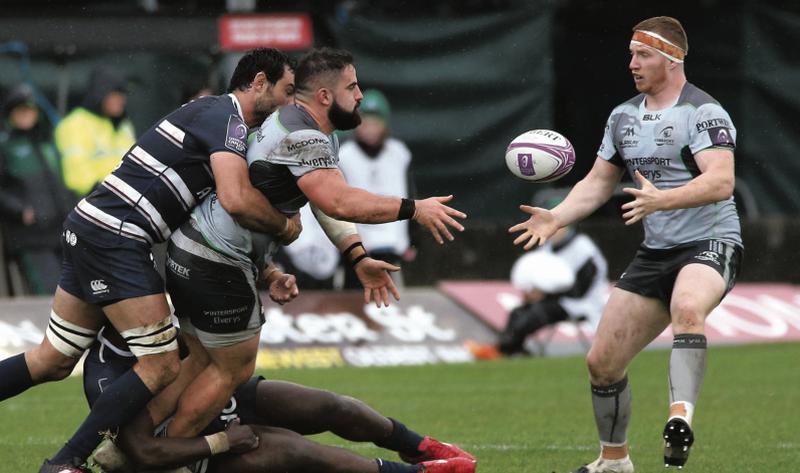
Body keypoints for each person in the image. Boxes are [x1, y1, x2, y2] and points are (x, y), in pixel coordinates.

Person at [0, 48, 302, 473]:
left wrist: (266, 268)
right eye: (287, 91)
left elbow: (205, 216)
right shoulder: (227, 119)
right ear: (257, 83)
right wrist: (286, 227)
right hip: (116, 237)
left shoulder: (215, 118)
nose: (290, 104)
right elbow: (235, 200)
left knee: (53, 359)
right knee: (161, 364)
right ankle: (65, 462)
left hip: (90, 226)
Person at [158, 47, 467, 444]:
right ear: (324, 96)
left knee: (198, 358)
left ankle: (132, 443)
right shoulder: (302, 135)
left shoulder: (303, 127)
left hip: (194, 247)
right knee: (233, 368)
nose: (360, 96)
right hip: (216, 259)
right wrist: (412, 208)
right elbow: (338, 200)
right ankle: (164, 458)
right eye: (352, 87)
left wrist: (357, 255)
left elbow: (325, 203)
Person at [509, 16, 742, 473]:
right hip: (655, 253)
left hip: (711, 240)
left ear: (672, 60)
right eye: (631, 54)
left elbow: (722, 181)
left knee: (688, 308)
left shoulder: (704, 112)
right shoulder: (622, 117)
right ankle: (614, 461)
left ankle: (680, 419)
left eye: (643, 55)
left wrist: (663, 199)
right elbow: (597, 183)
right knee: (602, 362)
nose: (632, 63)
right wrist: (556, 216)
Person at [82, 325, 476, 473]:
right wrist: (222, 442)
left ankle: (418, 447)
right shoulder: (105, 375)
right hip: (183, 451)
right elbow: (143, 452)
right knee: (296, 451)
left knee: (328, 405)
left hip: (218, 398)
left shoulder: (155, 316)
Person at [470, 217, 608, 359]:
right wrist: (534, 292)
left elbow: (580, 290)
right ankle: (511, 350)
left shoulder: (584, 249)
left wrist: (545, 294)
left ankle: (502, 351)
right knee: (517, 312)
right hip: (558, 300)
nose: (553, 231)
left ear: (568, 227)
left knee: (536, 313)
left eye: (558, 227)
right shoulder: (548, 247)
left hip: (582, 304)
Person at [0, 83, 74, 294]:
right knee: (49, 293)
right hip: (30, 236)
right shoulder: (5, 145)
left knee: (71, 293)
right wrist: (21, 210)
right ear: (10, 113)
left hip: (59, 230)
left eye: (30, 109)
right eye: (20, 109)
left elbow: (61, 183)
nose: (26, 114)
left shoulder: (47, 143)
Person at [338, 89, 415, 288]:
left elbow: (410, 195)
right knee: (352, 303)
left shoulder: (399, 153)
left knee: (392, 305)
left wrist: (413, 240)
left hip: (392, 248)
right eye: (366, 121)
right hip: (357, 249)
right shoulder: (344, 155)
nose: (371, 128)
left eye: (376, 121)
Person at [55, 67, 137, 197]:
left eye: (123, 94)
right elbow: (77, 175)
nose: (121, 99)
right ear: (100, 94)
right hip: (94, 203)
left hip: (127, 200)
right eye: (115, 93)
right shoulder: (75, 123)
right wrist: (106, 193)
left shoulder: (123, 125)